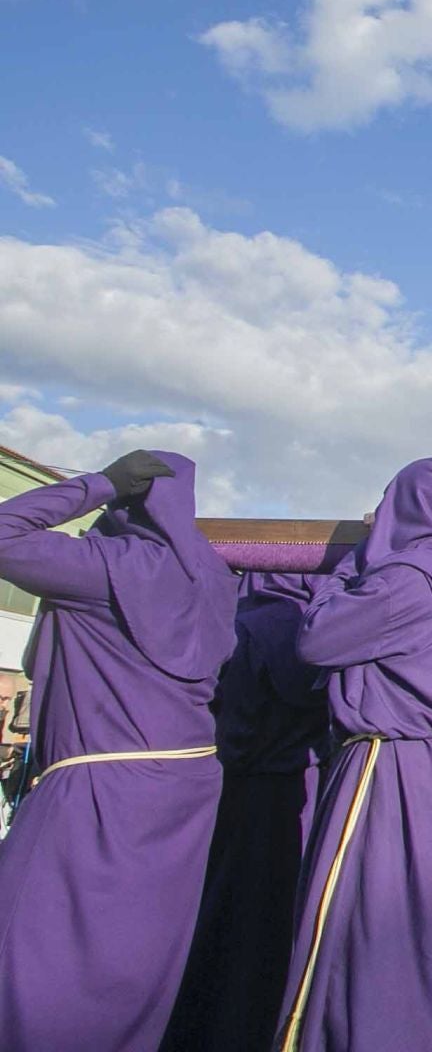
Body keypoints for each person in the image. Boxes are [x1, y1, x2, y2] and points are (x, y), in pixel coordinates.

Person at [0, 450, 238, 1051]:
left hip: (97, 783)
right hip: (185, 790)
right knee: (135, 966)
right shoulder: (212, 579)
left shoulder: (106, 567)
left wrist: (98, 484)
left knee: (28, 952)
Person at [276, 457, 432, 1052]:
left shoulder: (401, 579)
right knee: (419, 944)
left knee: (354, 934)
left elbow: (317, 641)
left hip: (386, 770)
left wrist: (346, 566)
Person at [164, 573, 330, 1052]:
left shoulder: (244, 626)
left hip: (245, 794)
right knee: (287, 923)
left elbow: (228, 718)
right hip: (306, 791)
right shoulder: (316, 625)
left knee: (234, 920)